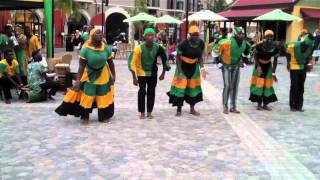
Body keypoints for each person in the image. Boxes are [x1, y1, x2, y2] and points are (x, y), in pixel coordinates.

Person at [56, 28, 116, 124]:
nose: (100, 35)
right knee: (88, 96)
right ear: (92, 36)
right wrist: (78, 80)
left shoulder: (106, 48)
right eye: (98, 33)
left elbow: (111, 63)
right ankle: (85, 117)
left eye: (101, 33)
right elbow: (81, 66)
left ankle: (103, 116)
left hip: (103, 75)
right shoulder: (85, 49)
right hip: (89, 75)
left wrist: (113, 75)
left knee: (102, 96)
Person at [128, 28, 170, 119]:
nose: (150, 37)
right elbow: (132, 62)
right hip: (141, 71)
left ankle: (149, 112)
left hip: (153, 72)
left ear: (154, 37)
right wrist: (134, 77)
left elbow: (164, 59)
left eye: (152, 35)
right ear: (145, 37)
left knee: (151, 91)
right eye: (148, 35)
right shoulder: (139, 48)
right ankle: (142, 112)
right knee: (142, 91)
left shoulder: (158, 47)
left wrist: (163, 73)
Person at [167, 26, 208, 117]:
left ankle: (192, 109)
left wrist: (202, 68)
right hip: (182, 67)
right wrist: (180, 72)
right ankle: (179, 110)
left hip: (194, 67)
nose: (197, 37)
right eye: (194, 35)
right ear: (189, 35)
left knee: (193, 88)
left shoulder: (201, 43)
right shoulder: (183, 44)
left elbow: (200, 57)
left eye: (197, 35)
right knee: (180, 89)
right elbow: (177, 58)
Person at [213, 27, 251, 114]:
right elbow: (215, 51)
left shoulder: (245, 43)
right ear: (234, 34)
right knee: (227, 85)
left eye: (242, 34)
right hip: (225, 65)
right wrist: (218, 63)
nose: (241, 35)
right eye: (239, 34)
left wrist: (245, 62)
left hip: (236, 66)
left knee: (235, 86)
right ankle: (225, 106)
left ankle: (233, 106)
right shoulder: (226, 42)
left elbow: (247, 52)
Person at [249, 30, 279, 110]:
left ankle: (265, 104)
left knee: (267, 85)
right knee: (259, 84)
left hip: (268, 66)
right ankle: (259, 104)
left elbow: (275, 60)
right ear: (265, 37)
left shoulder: (275, 47)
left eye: (271, 36)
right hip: (259, 66)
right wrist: (258, 66)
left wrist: (273, 72)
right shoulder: (259, 46)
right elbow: (255, 56)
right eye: (268, 36)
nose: (270, 38)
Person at [286, 33, 315, 112]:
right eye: (305, 45)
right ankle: (292, 105)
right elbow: (287, 51)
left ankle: (299, 106)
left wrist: (309, 64)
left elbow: (309, 57)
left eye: (308, 46)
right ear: (303, 42)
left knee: (301, 87)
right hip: (294, 67)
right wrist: (288, 62)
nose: (306, 47)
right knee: (294, 86)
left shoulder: (310, 47)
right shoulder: (294, 44)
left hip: (303, 67)